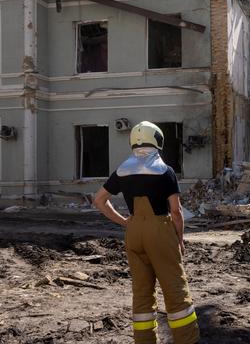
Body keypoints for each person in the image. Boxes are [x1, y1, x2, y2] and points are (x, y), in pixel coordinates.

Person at [93, 121, 199, 344]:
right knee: (175, 291)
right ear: (158, 141)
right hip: (160, 232)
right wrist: (179, 239)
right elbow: (176, 211)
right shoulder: (165, 171)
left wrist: (124, 222)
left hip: (134, 234)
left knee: (141, 294)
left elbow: (99, 200)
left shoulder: (122, 170)